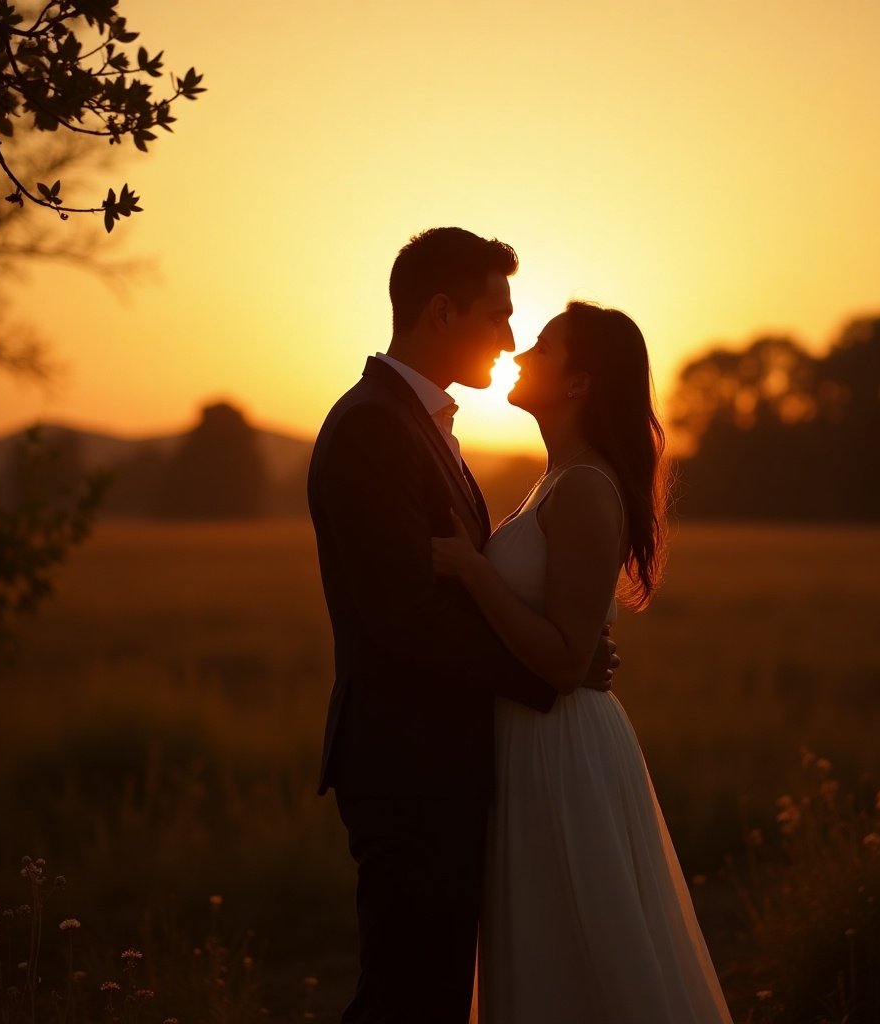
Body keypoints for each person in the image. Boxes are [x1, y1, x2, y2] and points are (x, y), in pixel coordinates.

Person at [307, 228, 618, 1024]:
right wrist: (552, 668)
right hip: (407, 763)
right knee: (408, 999)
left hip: (439, 764)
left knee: (431, 993)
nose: (511, 339)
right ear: (442, 311)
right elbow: (403, 616)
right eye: (498, 315)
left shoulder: (417, 421)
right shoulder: (376, 425)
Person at [432, 301, 735, 1024]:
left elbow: (567, 663)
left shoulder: (585, 489)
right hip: (531, 741)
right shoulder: (555, 479)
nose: (519, 355)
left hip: (560, 748)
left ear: (578, 385)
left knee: (582, 954)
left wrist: (474, 574)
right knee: (546, 956)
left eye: (540, 347)